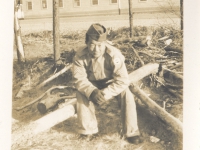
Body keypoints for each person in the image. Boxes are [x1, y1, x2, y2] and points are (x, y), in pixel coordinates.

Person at [72, 23, 142, 144]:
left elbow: (122, 80)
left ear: (105, 43)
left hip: (110, 83)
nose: (96, 49)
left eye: (99, 45)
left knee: (127, 94)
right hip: (91, 84)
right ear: (87, 43)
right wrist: (91, 91)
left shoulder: (114, 54)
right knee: (81, 93)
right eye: (92, 45)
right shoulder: (80, 55)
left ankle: (131, 132)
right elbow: (79, 79)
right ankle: (87, 130)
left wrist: (105, 94)